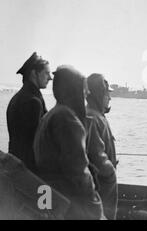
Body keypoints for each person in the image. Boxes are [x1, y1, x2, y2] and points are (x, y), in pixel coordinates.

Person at [33, 65, 104, 220]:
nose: (88, 92)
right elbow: (78, 170)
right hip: (67, 203)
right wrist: (95, 206)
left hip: (49, 197)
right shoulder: (66, 119)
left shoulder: (52, 115)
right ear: (74, 89)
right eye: (84, 88)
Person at [6, 52, 52, 171]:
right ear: (34, 73)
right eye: (46, 73)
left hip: (15, 165)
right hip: (27, 170)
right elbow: (36, 144)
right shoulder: (32, 102)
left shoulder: (18, 97)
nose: (50, 77)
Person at [85, 73, 118, 220]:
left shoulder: (96, 116)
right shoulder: (92, 117)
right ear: (99, 94)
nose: (109, 98)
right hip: (101, 185)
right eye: (107, 94)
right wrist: (109, 171)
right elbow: (95, 154)